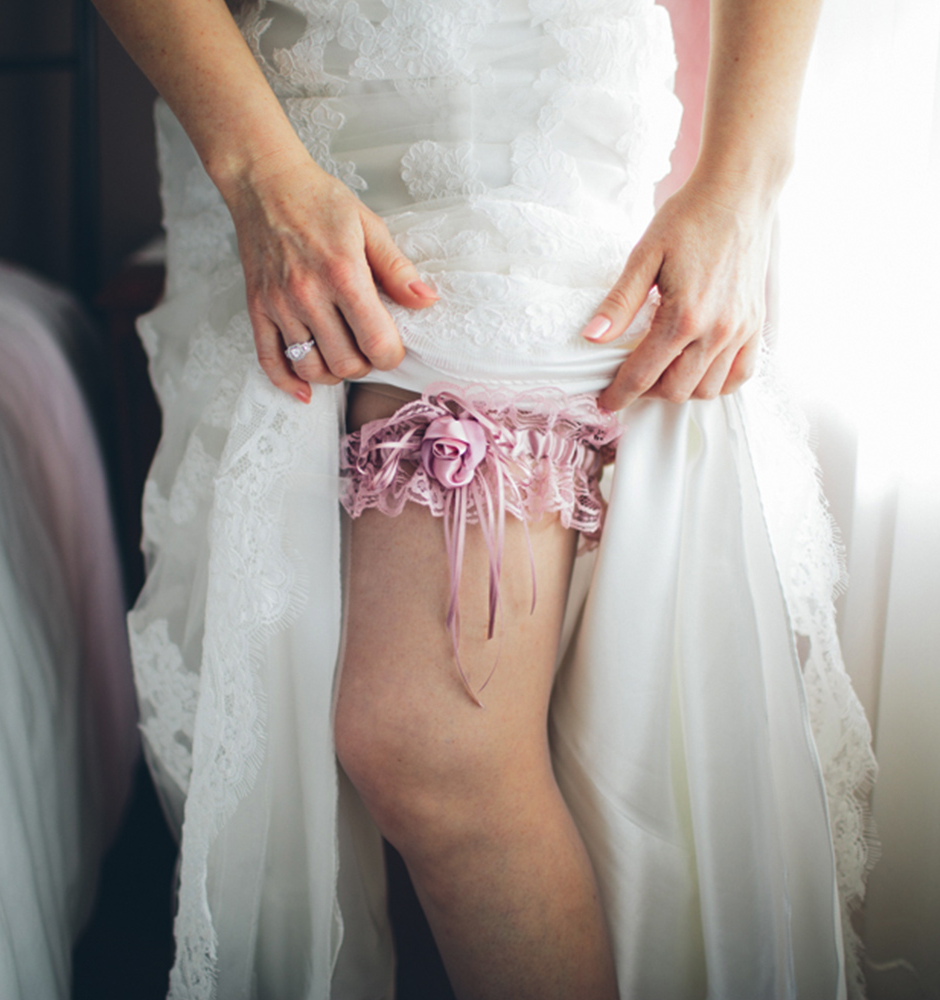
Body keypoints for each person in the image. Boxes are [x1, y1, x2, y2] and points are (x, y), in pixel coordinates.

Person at [95, 0, 877, 996]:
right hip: (258, 114)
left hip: (508, 120)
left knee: (430, 739)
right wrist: (255, 169)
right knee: (325, 697)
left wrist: (743, 183)